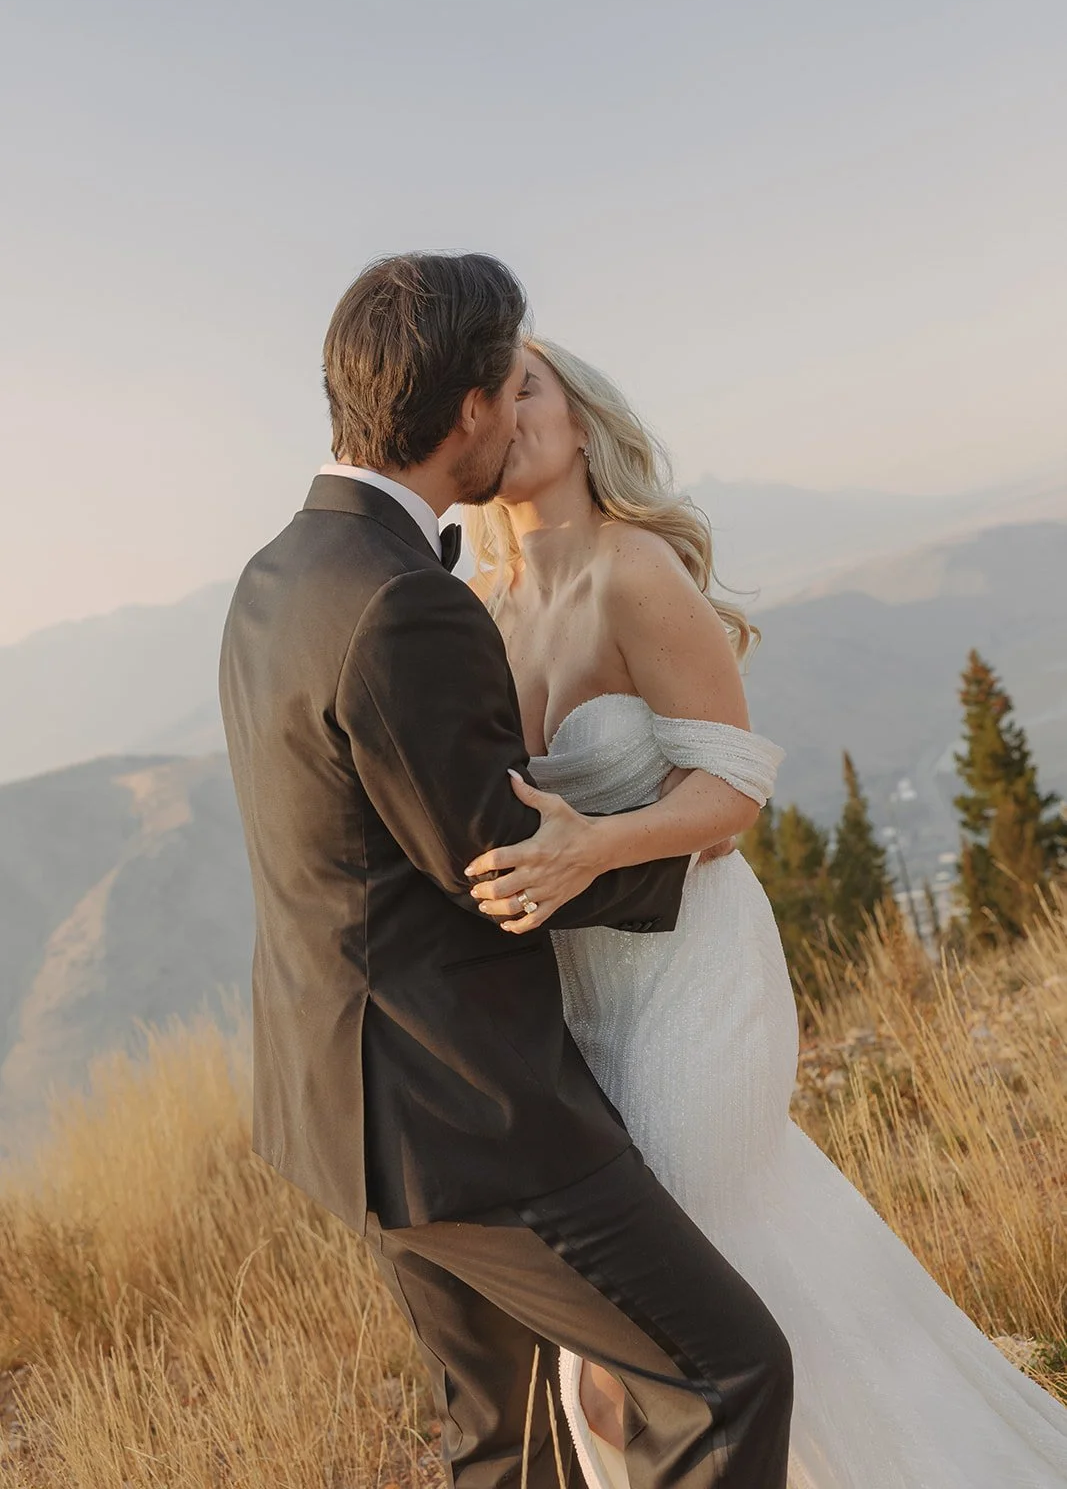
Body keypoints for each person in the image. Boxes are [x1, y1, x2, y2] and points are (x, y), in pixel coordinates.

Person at [219, 253, 793, 1489]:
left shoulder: (279, 575)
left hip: (344, 1113)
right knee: (726, 1376)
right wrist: (657, 870)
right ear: (468, 411)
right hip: (469, 1113)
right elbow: (497, 862)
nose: (518, 409)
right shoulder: (410, 602)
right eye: (503, 385)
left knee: (508, 1437)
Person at [462, 337, 1067, 1489]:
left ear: (584, 423)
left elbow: (733, 787)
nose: (503, 407)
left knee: (660, 1300)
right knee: (706, 1284)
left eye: (526, 384)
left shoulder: (634, 568)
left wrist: (590, 845)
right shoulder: (485, 609)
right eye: (486, 393)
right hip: (578, 1010)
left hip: (695, 977)